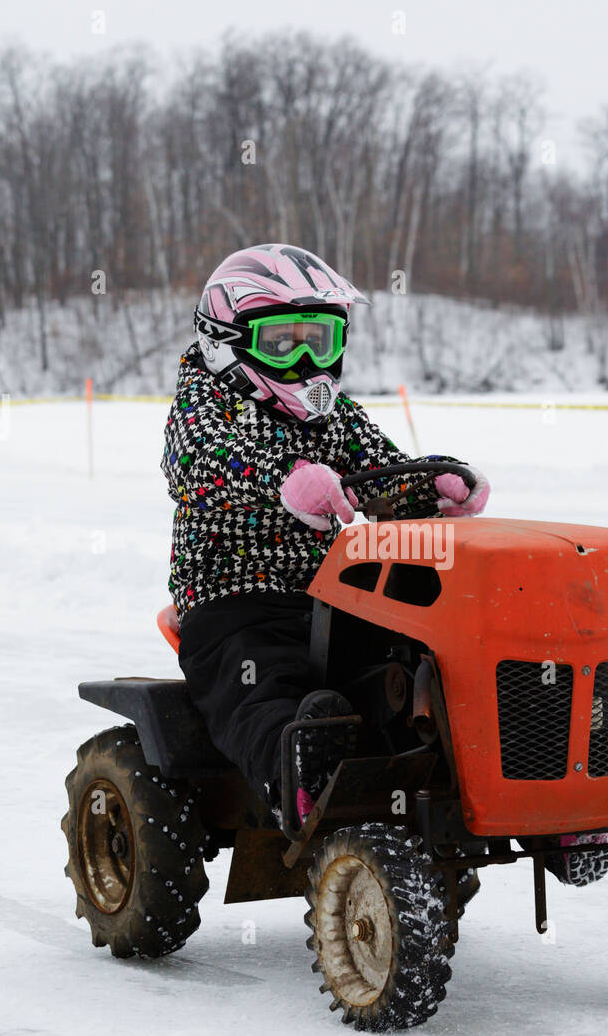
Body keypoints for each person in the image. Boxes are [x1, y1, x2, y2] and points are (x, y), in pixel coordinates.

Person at [161, 243, 490, 825]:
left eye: (321, 339)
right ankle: (302, 776)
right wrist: (284, 479)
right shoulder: (203, 405)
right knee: (262, 684)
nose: (308, 362)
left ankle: (473, 759)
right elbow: (204, 461)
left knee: (415, 654)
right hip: (232, 602)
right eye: (283, 344)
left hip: (333, 594)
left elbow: (379, 470)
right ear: (226, 342)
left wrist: (434, 483)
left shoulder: (335, 416)